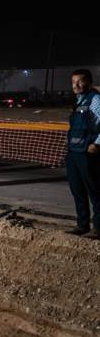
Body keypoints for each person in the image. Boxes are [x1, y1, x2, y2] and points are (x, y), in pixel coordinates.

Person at [66, 69, 100, 237]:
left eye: (80, 81)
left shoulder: (96, 100)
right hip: (73, 152)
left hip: (88, 152)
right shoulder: (79, 101)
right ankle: (82, 225)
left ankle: (98, 228)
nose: (76, 85)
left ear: (89, 82)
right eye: (73, 82)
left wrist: (97, 144)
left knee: (95, 190)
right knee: (77, 189)